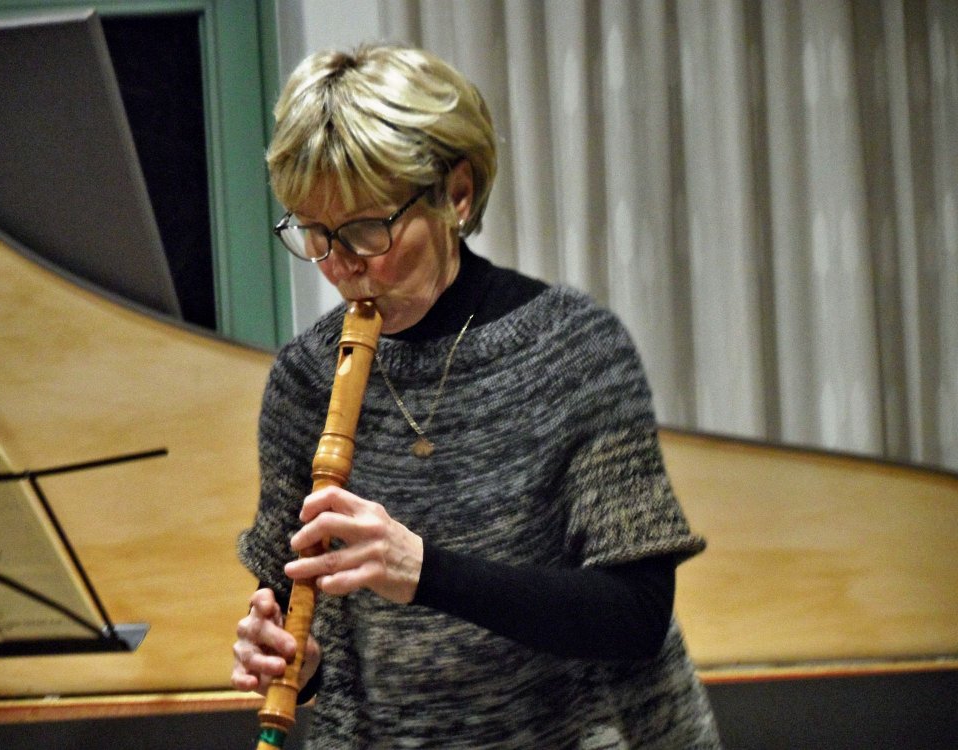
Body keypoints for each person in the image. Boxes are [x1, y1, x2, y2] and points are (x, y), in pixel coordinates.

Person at [233, 43, 721, 749]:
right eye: (313, 231)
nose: (340, 266)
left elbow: (635, 615)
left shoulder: (572, 348)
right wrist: (294, 663)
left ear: (456, 195)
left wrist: (425, 571)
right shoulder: (305, 380)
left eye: (368, 228)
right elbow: (303, 617)